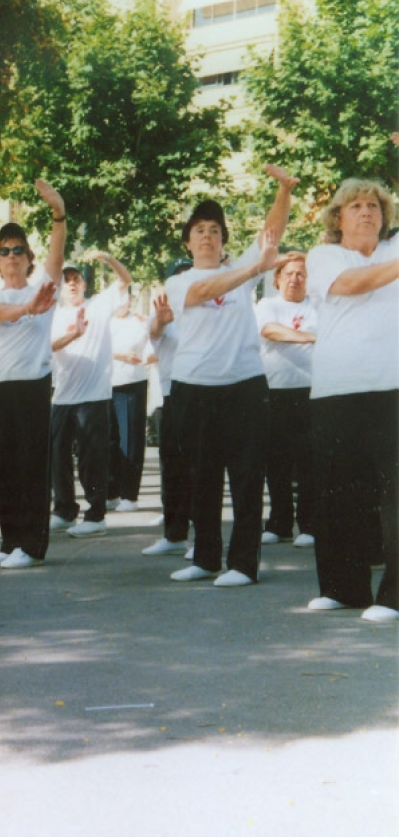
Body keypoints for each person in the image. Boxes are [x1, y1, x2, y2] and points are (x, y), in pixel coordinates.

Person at [166, 165, 299, 587]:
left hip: (243, 386)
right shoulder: (178, 281)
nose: (207, 236)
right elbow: (205, 292)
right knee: (201, 477)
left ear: (224, 240)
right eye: (199, 230)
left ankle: (242, 564)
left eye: (215, 230)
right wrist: (253, 268)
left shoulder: (246, 264)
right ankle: (205, 558)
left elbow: (271, 233)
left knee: (246, 478)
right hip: (193, 387)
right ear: (188, 241)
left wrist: (284, 190)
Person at [305, 178, 398, 623]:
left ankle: (394, 596)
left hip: (391, 388)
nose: (367, 212)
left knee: (394, 495)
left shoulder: (392, 251)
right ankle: (344, 588)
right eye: (356, 206)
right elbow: (352, 284)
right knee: (339, 493)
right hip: (335, 389)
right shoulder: (324, 256)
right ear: (338, 218)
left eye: (374, 206)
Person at [0, 181, 66, 568]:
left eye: (18, 251)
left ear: (29, 258)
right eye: (4, 251)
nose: (11, 256)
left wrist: (58, 214)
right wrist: (28, 309)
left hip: (32, 383)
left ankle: (31, 545)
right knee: (4, 466)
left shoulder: (46, 287)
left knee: (31, 465)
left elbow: (58, 256)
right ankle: (10, 540)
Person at [49, 252, 131, 537]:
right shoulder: (53, 315)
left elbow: (126, 280)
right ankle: (64, 510)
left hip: (94, 396)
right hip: (62, 396)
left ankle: (96, 516)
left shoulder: (99, 305)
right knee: (57, 456)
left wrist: (109, 260)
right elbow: (48, 347)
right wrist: (73, 335)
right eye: (66, 280)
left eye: (76, 279)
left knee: (90, 459)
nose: (71, 284)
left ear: (84, 284)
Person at [255, 253, 317, 549]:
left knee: (309, 461)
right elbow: (269, 330)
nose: (295, 279)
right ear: (277, 278)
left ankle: (310, 524)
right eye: (289, 274)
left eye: (301, 274)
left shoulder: (317, 306)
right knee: (276, 461)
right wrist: (308, 337)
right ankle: (279, 524)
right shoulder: (267, 305)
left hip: (311, 392)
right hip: (275, 392)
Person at [142, 287, 193, 556]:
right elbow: (153, 332)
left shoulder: (206, 312)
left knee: (201, 469)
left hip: (203, 392)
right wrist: (161, 320)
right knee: (173, 467)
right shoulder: (165, 317)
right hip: (173, 396)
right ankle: (174, 536)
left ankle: (204, 540)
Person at [108, 297, 151, 512]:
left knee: (130, 440)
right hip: (104, 384)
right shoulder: (103, 320)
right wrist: (120, 355)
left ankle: (129, 495)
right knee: (109, 440)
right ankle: (111, 491)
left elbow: (152, 348)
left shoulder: (139, 321)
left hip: (132, 383)